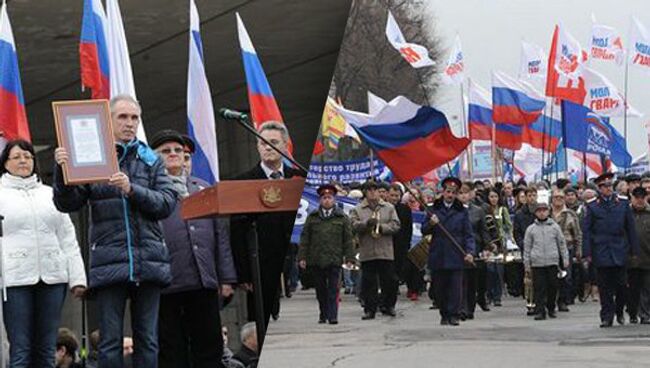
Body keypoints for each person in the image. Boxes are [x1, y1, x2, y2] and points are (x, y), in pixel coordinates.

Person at [53, 95, 178, 366]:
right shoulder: (91, 156)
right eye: (122, 117)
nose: (130, 123)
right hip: (110, 263)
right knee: (109, 342)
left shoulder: (150, 159)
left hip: (149, 261)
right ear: (107, 121)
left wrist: (132, 189)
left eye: (134, 117)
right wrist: (62, 170)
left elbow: (167, 203)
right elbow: (67, 203)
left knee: (148, 339)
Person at [151, 130, 237, 368]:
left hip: (203, 280)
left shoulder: (203, 188)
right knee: (171, 348)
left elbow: (220, 236)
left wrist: (227, 278)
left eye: (178, 150)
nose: (174, 154)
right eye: (166, 151)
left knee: (209, 345)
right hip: (166, 282)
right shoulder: (149, 190)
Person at [0, 139, 87, 368]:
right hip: (14, 280)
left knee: (47, 347)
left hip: (53, 277)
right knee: (21, 347)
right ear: (5, 163)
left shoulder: (51, 193)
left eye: (28, 156)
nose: (23, 161)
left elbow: (68, 238)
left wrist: (77, 279)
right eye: (17, 156)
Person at [229, 121, 305, 329]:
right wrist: (243, 273)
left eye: (273, 142)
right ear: (257, 147)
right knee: (258, 324)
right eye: (263, 143)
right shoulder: (243, 182)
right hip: (258, 266)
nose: (268, 147)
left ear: (285, 145)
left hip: (290, 263)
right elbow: (237, 232)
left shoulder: (299, 179)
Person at [582, 172, 640, 327]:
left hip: (619, 249)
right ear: (599, 188)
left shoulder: (622, 203)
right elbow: (586, 231)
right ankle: (607, 316)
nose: (607, 189)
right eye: (604, 186)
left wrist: (634, 250)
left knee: (622, 285)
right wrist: (586, 252)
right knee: (604, 287)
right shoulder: (592, 205)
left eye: (609, 185)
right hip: (601, 250)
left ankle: (619, 310)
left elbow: (630, 228)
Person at [298, 183, 355, 324]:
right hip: (317, 259)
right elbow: (305, 238)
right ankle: (323, 313)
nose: (327, 200)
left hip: (334, 259)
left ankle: (333, 315)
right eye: (324, 198)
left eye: (330, 197)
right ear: (320, 200)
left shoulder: (341, 217)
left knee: (333, 290)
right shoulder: (313, 217)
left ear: (334, 199)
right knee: (320, 290)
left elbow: (348, 240)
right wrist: (302, 257)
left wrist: (350, 258)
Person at [421, 177, 475, 326]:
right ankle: (444, 313)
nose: (450, 195)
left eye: (453, 192)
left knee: (455, 288)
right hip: (438, 253)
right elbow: (424, 229)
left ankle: (454, 314)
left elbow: (468, 234)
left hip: (456, 254)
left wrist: (470, 252)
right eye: (448, 191)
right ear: (442, 192)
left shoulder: (461, 211)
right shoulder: (433, 209)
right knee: (439, 288)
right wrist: (431, 223)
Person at [350, 180, 401, 320]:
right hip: (368, 251)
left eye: (375, 190)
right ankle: (370, 309)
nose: (373, 193)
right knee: (369, 282)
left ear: (379, 192)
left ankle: (388, 305)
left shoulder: (389, 207)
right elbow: (353, 225)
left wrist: (382, 227)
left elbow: (396, 225)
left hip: (385, 250)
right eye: (369, 190)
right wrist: (366, 224)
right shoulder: (358, 209)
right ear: (365, 192)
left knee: (389, 280)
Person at [523, 202, 569, 320]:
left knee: (552, 286)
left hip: (552, 261)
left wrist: (565, 258)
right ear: (536, 213)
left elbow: (562, 243)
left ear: (548, 212)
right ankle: (540, 310)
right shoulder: (531, 229)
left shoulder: (554, 227)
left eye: (544, 210)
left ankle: (551, 307)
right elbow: (527, 247)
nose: (542, 213)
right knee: (539, 288)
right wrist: (527, 264)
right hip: (537, 262)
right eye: (539, 211)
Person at [459, 182, 490, 318]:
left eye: (465, 192)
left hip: (474, 248)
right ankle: (461, 307)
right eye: (460, 193)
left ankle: (469, 308)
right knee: (460, 280)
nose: (463, 196)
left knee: (471, 281)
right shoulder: (454, 211)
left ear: (471, 194)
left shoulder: (478, 211)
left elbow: (484, 231)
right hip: (458, 248)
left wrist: (487, 247)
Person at [550, 188, 582, 311]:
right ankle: (551, 302)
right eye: (556, 197)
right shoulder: (546, 212)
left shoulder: (571, 214)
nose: (558, 199)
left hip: (566, 249)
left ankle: (563, 301)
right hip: (549, 249)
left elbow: (578, 234)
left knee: (566, 276)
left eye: (561, 197)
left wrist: (579, 250)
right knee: (552, 277)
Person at [484, 188, 512, 307]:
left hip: (501, 244)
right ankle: (489, 294)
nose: (494, 199)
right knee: (490, 271)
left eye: (495, 196)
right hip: (489, 244)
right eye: (491, 196)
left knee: (499, 271)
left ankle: (497, 297)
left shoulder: (502, 210)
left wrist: (507, 240)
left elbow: (508, 226)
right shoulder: (484, 210)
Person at [387, 184, 414, 298]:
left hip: (400, 244)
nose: (394, 198)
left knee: (398, 267)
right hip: (387, 243)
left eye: (397, 196)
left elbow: (408, 228)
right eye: (392, 195)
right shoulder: (383, 208)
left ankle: (395, 285)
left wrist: (407, 244)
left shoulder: (405, 209)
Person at [512, 187, 538, 297]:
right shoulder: (519, 214)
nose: (532, 198)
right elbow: (516, 232)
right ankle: (528, 297)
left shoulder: (541, 210)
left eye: (534, 195)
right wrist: (521, 243)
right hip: (526, 247)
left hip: (540, 247)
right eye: (529, 196)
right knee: (528, 273)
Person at [629, 187, 650, 324]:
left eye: (642, 197)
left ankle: (645, 314)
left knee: (647, 289)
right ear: (632, 198)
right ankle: (632, 312)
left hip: (647, 258)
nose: (640, 200)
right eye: (637, 197)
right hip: (629, 259)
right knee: (632, 289)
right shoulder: (626, 213)